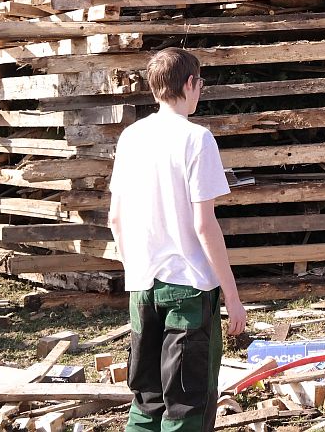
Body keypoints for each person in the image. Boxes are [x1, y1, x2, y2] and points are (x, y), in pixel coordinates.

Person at [109, 47, 246, 432]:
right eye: (200, 82)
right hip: (189, 290)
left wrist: (135, 271)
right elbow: (205, 225)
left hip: (142, 287)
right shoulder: (196, 139)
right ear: (189, 83)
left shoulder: (131, 137)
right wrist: (233, 297)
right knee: (188, 405)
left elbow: (115, 218)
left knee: (147, 401)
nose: (199, 89)